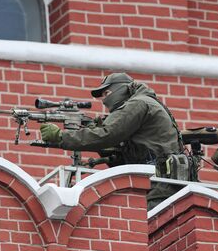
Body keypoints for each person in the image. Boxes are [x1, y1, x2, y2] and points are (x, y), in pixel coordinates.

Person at [39, 72, 191, 210]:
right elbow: (117, 147)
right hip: (160, 181)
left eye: (106, 93)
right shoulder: (145, 102)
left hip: (157, 183)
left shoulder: (138, 103)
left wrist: (61, 137)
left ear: (122, 89)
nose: (104, 100)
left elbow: (107, 135)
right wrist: (92, 128)